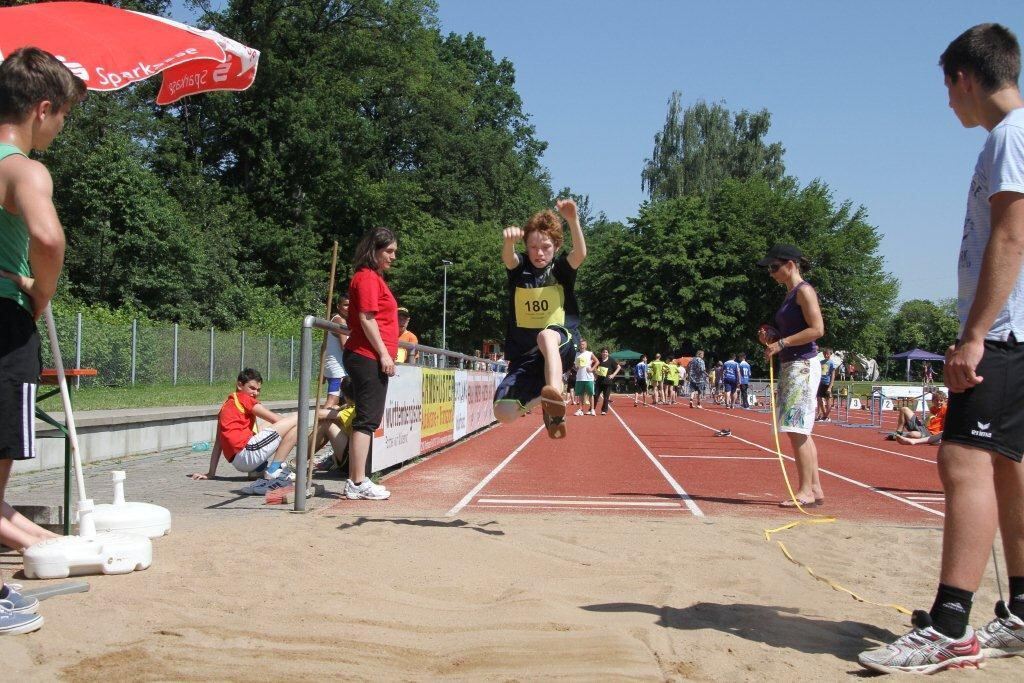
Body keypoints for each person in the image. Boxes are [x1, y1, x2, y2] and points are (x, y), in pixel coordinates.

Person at [859, 24, 1024, 675]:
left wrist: (975, 332)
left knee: (964, 456)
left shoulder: (1010, 138)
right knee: (1008, 464)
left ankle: (952, 623)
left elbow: (1009, 239)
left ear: (963, 77)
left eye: (946, 88)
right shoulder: (1010, 137)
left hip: (1004, 331)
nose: (947, 103)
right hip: (1015, 332)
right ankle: (1020, 611)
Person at [0, 47, 86, 636]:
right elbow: (48, 239)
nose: (59, 131)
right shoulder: (23, 168)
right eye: (62, 119)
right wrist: (41, 293)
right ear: (43, 108)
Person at [492, 199, 587, 439]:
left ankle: (555, 396)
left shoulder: (561, 270)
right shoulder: (520, 267)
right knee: (503, 412)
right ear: (526, 246)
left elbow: (580, 253)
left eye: (545, 246)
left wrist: (573, 220)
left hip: (561, 344)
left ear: (556, 246)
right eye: (533, 247)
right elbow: (508, 258)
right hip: (526, 356)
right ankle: (545, 399)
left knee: (546, 334)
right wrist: (508, 242)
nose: (539, 253)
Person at [757, 244, 825, 509]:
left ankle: (806, 490)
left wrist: (782, 344)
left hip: (803, 365)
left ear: (790, 265)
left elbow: (817, 329)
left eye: (774, 267)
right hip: (791, 364)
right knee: (797, 429)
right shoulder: (789, 295)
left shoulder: (804, 291)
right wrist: (773, 336)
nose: (771, 273)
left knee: (797, 428)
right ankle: (815, 487)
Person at [338, 227, 399, 500]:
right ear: (373, 251)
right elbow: (366, 318)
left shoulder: (373, 278)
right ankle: (357, 481)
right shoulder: (366, 279)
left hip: (368, 355)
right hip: (366, 356)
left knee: (368, 419)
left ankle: (358, 480)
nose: (393, 257)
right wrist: (384, 354)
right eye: (389, 251)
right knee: (366, 420)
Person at [190, 369, 307, 481]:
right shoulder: (244, 399)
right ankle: (273, 471)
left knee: (269, 425)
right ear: (240, 385)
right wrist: (299, 437)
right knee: (298, 421)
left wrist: (211, 473)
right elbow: (277, 420)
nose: (255, 393)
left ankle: (258, 469)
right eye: (252, 388)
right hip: (247, 454)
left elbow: (218, 443)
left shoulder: (226, 405)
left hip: (238, 461)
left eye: (258, 389)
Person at [323, 295, 348, 409]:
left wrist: (322, 370)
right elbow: (345, 346)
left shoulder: (343, 321)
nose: (349, 308)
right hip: (337, 368)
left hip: (338, 367)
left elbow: (323, 346)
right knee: (333, 400)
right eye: (346, 305)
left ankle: (327, 425)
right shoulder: (340, 321)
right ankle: (318, 423)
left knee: (343, 402)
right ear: (339, 306)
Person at [573, 339, 598, 416]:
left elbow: (597, 361)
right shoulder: (576, 354)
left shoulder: (589, 353)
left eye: (583, 344)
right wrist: (575, 368)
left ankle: (592, 409)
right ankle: (580, 409)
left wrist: (592, 369)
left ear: (586, 345)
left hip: (588, 377)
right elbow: (573, 365)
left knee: (590, 394)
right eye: (580, 344)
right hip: (579, 377)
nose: (582, 346)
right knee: (580, 394)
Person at [594, 347, 621, 415]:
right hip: (599, 381)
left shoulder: (611, 360)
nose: (605, 353)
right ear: (601, 353)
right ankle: (592, 409)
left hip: (607, 381)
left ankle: (604, 410)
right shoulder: (598, 359)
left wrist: (613, 375)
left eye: (606, 352)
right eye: (603, 352)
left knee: (606, 397)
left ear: (608, 353)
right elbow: (594, 367)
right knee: (595, 395)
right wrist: (595, 373)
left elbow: (619, 367)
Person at [816, 346, 838, 422]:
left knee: (828, 400)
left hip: (827, 383)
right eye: (824, 353)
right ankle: (824, 414)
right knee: (819, 399)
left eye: (827, 354)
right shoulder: (821, 362)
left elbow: (833, 375)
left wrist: (830, 386)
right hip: (820, 383)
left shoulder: (832, 363)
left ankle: (827, 416)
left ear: (830, 354)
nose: (826, 355)